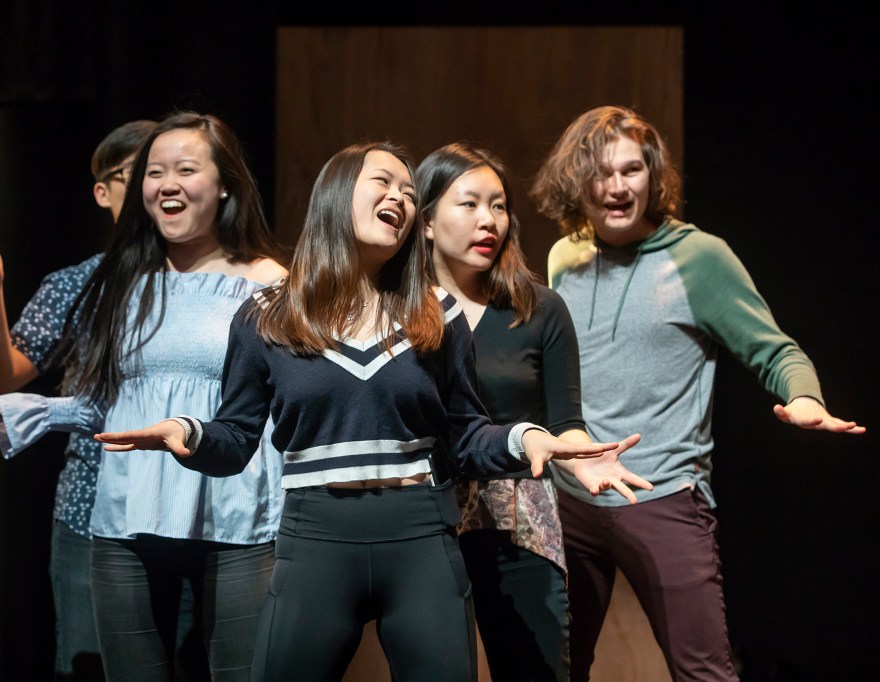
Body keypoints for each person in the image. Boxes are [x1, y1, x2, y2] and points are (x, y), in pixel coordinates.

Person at [90, 141, 642, 682]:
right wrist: (186, 433)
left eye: (408, 189)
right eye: (383, 182)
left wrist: (527, 440)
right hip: (316, 541)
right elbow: (236, 438)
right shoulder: (269, 315)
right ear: (335, 195)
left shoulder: (437, 312)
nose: (400, 197)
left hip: (421, 539)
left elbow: (468, 434)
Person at [0, 111, 289, 682]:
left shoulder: (271, 283)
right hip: (130, 511)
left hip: (235, 516)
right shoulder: (117, 281)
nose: (167, 184)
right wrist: (29, 409)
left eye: (186, 169)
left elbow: (281, 406)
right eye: (155, 173)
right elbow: (115, 403)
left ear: (225, 182)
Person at [529, 105, 865, 682]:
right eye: (600, 173)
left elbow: (776, 350)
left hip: (663, 495)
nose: (615, 187)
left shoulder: (699, 258)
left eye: (631, 170)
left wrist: (804, 398)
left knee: (703, 672)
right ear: (575, 181)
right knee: (555, 669)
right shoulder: (566, 256)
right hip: (571, 500)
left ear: (653, 177)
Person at [416, 142, 652, 682]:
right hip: (425, 516)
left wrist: (580, 457)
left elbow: (564, 420)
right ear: (426, 221)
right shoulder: (396, 313)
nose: (489, 220)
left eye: (499, 206)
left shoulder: (538, 308)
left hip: (519, 514)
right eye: (470, 204)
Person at [0, 118, 157, 681]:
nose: (154, 186)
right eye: (138, 171)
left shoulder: (213, 282)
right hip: (91, 513)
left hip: (192, 514)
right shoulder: (78, 284)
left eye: (168, 171)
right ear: (103, 190)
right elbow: (0, 375)